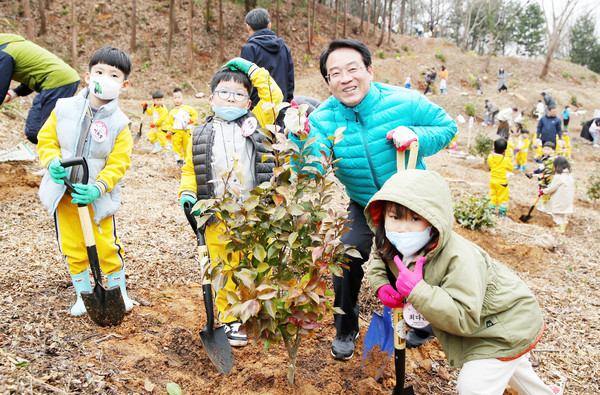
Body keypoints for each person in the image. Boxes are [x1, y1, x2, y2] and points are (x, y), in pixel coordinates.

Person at [298, 39, 456, 360]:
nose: (346, 78)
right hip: (364, 202)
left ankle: (423, 321)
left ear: (369, 70)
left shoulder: (405, 100)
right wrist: (296, 140)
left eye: (353, 68)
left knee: (422, 258)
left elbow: (446, 126)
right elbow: (311, 167)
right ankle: (345, 327)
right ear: (328, 82)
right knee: (346, 256)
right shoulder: (323, 120)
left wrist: (416, 137)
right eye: (335, 73)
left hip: (410, 198)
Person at [365, 169, 563, 395]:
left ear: (434, 220)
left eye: (415, 218)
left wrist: (418, 291)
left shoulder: (459, 258)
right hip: (489, 322)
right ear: (383, 216)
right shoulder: (389, 238)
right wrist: (381, 283)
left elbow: (464, 318)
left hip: (504, 324)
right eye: (395, 216)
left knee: (473, 388)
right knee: (513, 366)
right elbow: (379, 257)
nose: (402, 227)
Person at [178, 57, 282, 347]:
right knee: (223, 268)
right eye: (224, 92)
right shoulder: (199, 133)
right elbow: (190, 169)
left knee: (254, 262)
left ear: (249, 103)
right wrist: (187, 193)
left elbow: (274, 95)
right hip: (216, 213)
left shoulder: (257, 123)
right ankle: (228, 317)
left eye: (239, 94)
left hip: (254, 211)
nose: (231, 98)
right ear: (211, 98)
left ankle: (253, 309)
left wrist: (251, 69)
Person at [36, 47, 134, 316]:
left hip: (96, 197)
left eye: (114, 75)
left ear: (124, 84)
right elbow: (47, 140)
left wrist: (97, 187)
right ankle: (84, 294)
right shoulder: (63, 108)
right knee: (72, 246)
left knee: (105, 246)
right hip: (64, 194)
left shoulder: (119, 123)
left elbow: (119, 162)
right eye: (99, 72)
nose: (105, 78)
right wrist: (52, 162)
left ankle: (118, 291)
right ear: (88, 76)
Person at [1, 34, 80, 144]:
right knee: (44, 129)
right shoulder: (12, 46)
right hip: (63, 79)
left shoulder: (4, 53)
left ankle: (72, 147)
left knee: (36, 130)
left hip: (56, 82)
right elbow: (34, 72)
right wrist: (16, 92)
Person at [241, 8, 294, 108]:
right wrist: (287, 104)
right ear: (269, 25)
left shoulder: (249, 49)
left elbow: (245, 82)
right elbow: (290, 80)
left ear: (248, 27)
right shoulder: (284, 48)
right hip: (281, 107)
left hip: (258, 109)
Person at [539, 156, 574, 233]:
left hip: (559, 199)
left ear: (557, 166)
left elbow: (552, 188)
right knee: (563, 213)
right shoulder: (569, 176)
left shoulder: (558, 177)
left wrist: (543, 191)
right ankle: (564, 223)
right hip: (567, 199)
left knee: (556, 214)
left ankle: (560, 227)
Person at [166, 88, 198, 166]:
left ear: (183, 98)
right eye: (175, 98)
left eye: (179, 97)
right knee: (176, 146)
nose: (177, 100)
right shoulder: (172, 112)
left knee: (187, 145)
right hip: (176, 132)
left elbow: (195, 114)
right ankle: (179, 160)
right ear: (172, 99)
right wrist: (169, 131)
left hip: (186, 131)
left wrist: (191, 120)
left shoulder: (188, 109)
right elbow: (169, 123)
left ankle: (187, 160)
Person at [487, 138, 514, 217]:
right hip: (502, 182)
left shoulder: (490, 157)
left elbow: (489, 164)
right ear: (504, 150)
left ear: (494, 148)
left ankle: (490, 212)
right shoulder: (506, 160)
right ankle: (502, 214)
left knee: (493, 195)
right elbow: (510, 168)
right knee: (503, 198)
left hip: (492, 180)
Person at [528, 141, 556, 213]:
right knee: (544, 192)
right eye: (544, 149)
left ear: (553, 150)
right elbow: (541, 168)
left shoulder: (552, 160)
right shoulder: (543, 158)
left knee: (549, 193)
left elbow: (549, 170)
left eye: (548, 149)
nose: (546, 151)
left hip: (550, 179)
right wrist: (533, 172)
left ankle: (550, 208)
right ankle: (545, 206)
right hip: (544, 179)